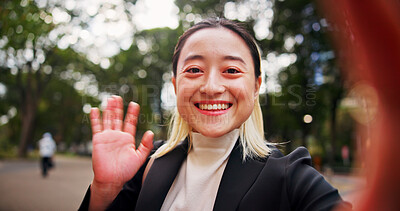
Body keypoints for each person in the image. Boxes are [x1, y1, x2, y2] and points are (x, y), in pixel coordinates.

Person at [79, 18, 351, 211]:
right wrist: (105, 189)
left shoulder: (290, 177)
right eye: (194, 70)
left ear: (256, 86)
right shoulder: (149, 163)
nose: (210, 87)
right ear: (175, 86)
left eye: (231, 70)